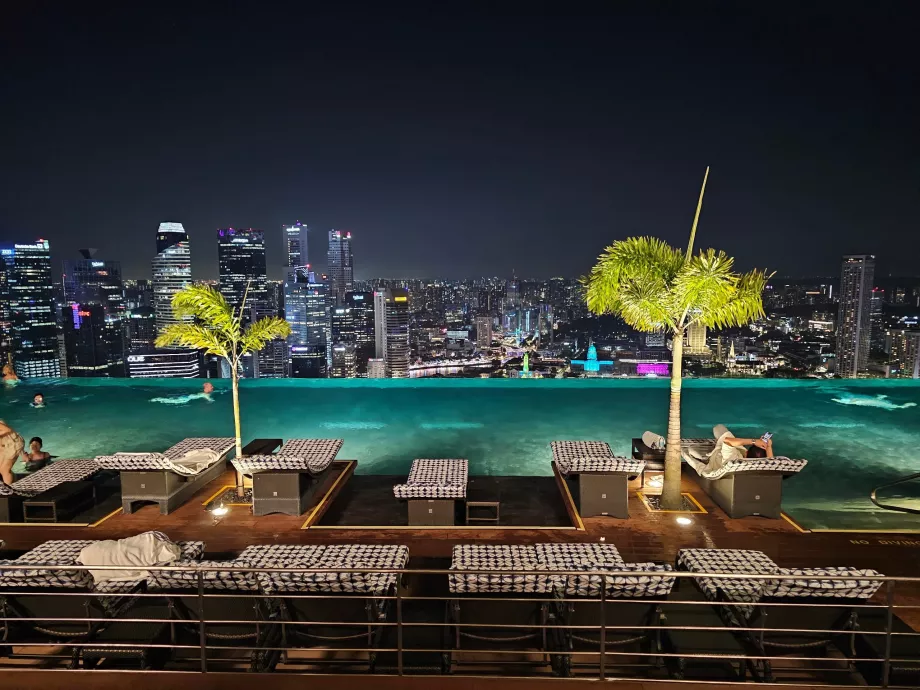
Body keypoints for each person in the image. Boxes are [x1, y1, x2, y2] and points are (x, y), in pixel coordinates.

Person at [0, 419, 25, 486]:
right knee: (2, 468)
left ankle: (8, 491)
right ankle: (14, 483)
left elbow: (8, 430)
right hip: (5, 444)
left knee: (4, 470)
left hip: (13, 443)